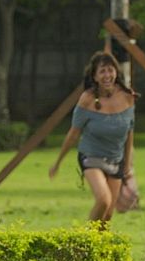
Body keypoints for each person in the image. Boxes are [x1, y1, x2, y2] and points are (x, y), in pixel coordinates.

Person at [49, 51, 136, 225]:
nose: (107, 75)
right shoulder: (87, 99)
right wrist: (58, 162)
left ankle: (100, 250)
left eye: (110, 70)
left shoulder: (127, 97)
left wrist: (127, 164)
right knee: (103, 200)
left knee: (108, 214)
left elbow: (129, 133)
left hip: (116, 159)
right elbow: (74, 133)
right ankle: (86, 241)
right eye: (102, 71)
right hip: (91, 156)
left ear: (116, 72)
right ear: (94, 76)